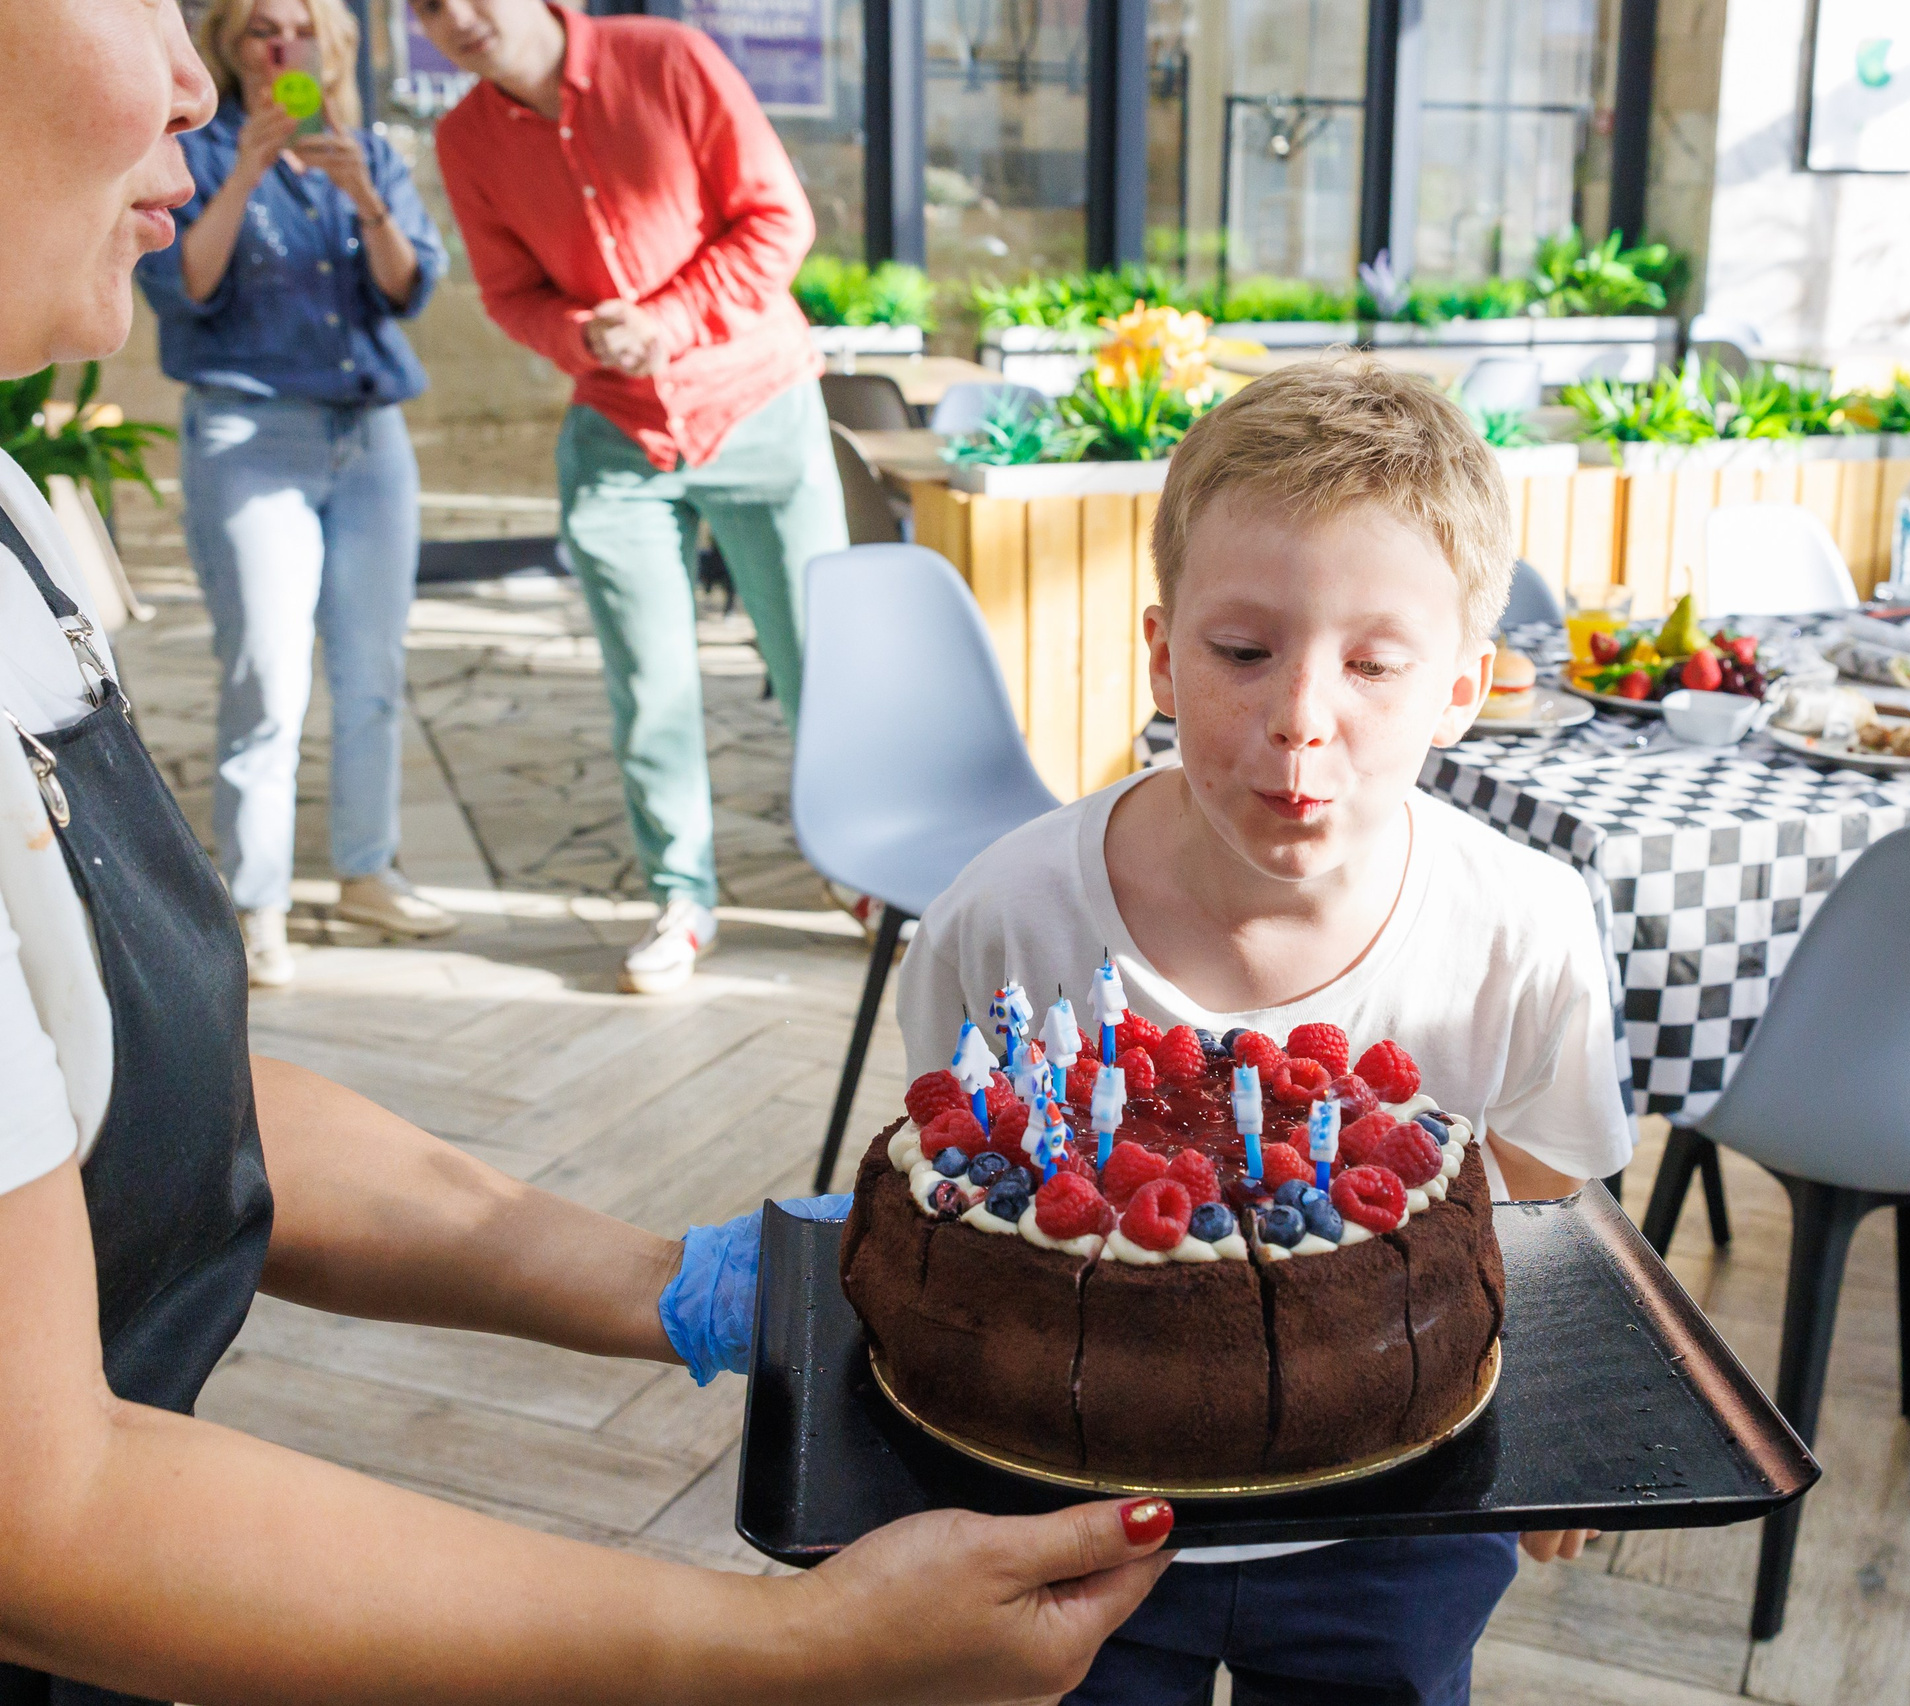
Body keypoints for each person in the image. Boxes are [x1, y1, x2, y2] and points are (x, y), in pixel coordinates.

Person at [0, 3, 1170, 1697]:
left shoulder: (22, 529)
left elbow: (169, 1105)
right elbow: (52, 1510)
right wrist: (793, 1644)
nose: (198, 80)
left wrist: (697, 1285)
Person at [894, 359, 1633, 1704]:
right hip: (1073, 1501)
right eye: (1243, 652)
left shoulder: (1524, 925)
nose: (1300, 712)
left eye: (1373, 662)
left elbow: (1541, 1200)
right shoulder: (999, 917)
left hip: (1401, 1517)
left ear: (1465, 686)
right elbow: (963, 1204)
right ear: (1160, 647)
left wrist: (1556, 1429)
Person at [414, 0, 850, 996]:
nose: (457, 16)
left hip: (756, 405)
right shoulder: (465, 137)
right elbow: (508, 294)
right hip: (616, 431)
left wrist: (666, 317)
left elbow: (779, 218)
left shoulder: (669, 61)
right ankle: (680, 895)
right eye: (428, 5)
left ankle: (861, 873)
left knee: (817, 665)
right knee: (649, 683)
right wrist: (585, 339)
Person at [132, 0, 459, 987]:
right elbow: (185, 284)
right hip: (249, 435)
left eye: (299, 29)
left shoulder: (370, 152)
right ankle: (256, 898)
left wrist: (365, 200)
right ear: (231, 46)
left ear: (335, 44)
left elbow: (410, 290)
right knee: (267, 679)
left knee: (372, 672)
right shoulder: (196, 148)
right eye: (260, 30)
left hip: (370, 437)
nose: (281, 47)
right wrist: (245, 172)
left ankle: (367, 871)